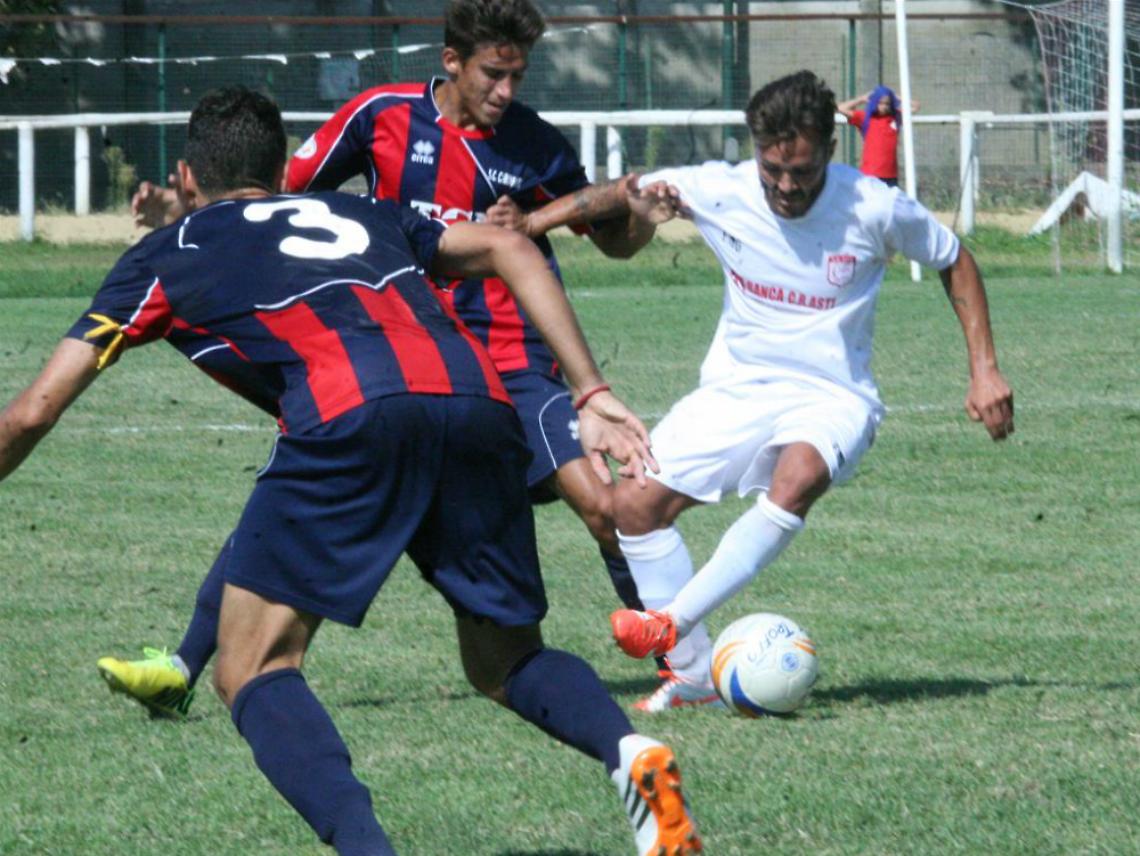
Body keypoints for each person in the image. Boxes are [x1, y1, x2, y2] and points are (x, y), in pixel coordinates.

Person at [0, 85, 702, 856]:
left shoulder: (164, 255)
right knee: (508, 661)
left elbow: (33, 411)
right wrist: (590, 391)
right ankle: (630, 753)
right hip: (475, 399)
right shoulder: (367, 212)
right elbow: (509, 246)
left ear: (187, 178)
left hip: (348, 413)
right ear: (280, 166)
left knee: (253, 667)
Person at [107, 0, 680, 718]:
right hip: (407, 349)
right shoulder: (380, 116)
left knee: (604, 507)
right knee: (299, 485)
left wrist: (640, 222)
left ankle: (680, 659)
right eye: (493, 75)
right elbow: (276, 208)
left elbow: (611, 239)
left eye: (517, 77)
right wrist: (190, 214)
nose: (506, 92)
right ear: (451, 63)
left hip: (513, 358)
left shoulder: (535, 143)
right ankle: (183, 665)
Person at [502, 70, 1015, 710]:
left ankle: (672, 621)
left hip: (833, 395)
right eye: (773, 168)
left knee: (797, 476)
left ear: (830, 148)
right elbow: (614, 193)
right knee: (631, 506)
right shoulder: (722, 188)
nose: (785, 185)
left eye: (801, 170)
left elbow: (952, 257)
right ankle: (689, 677)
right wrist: (529, 224)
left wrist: (984, 368)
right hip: (737, 389)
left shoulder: (874, 206)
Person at [836, 85, 917, 187]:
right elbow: (839, 108)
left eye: (887, 103)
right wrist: (860, 99)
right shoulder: (865, 117)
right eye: (880, 103)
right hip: (870, 174)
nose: (884, 106)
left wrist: (897, 97)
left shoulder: (896, 117)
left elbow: (916, 106)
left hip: (890, 175)